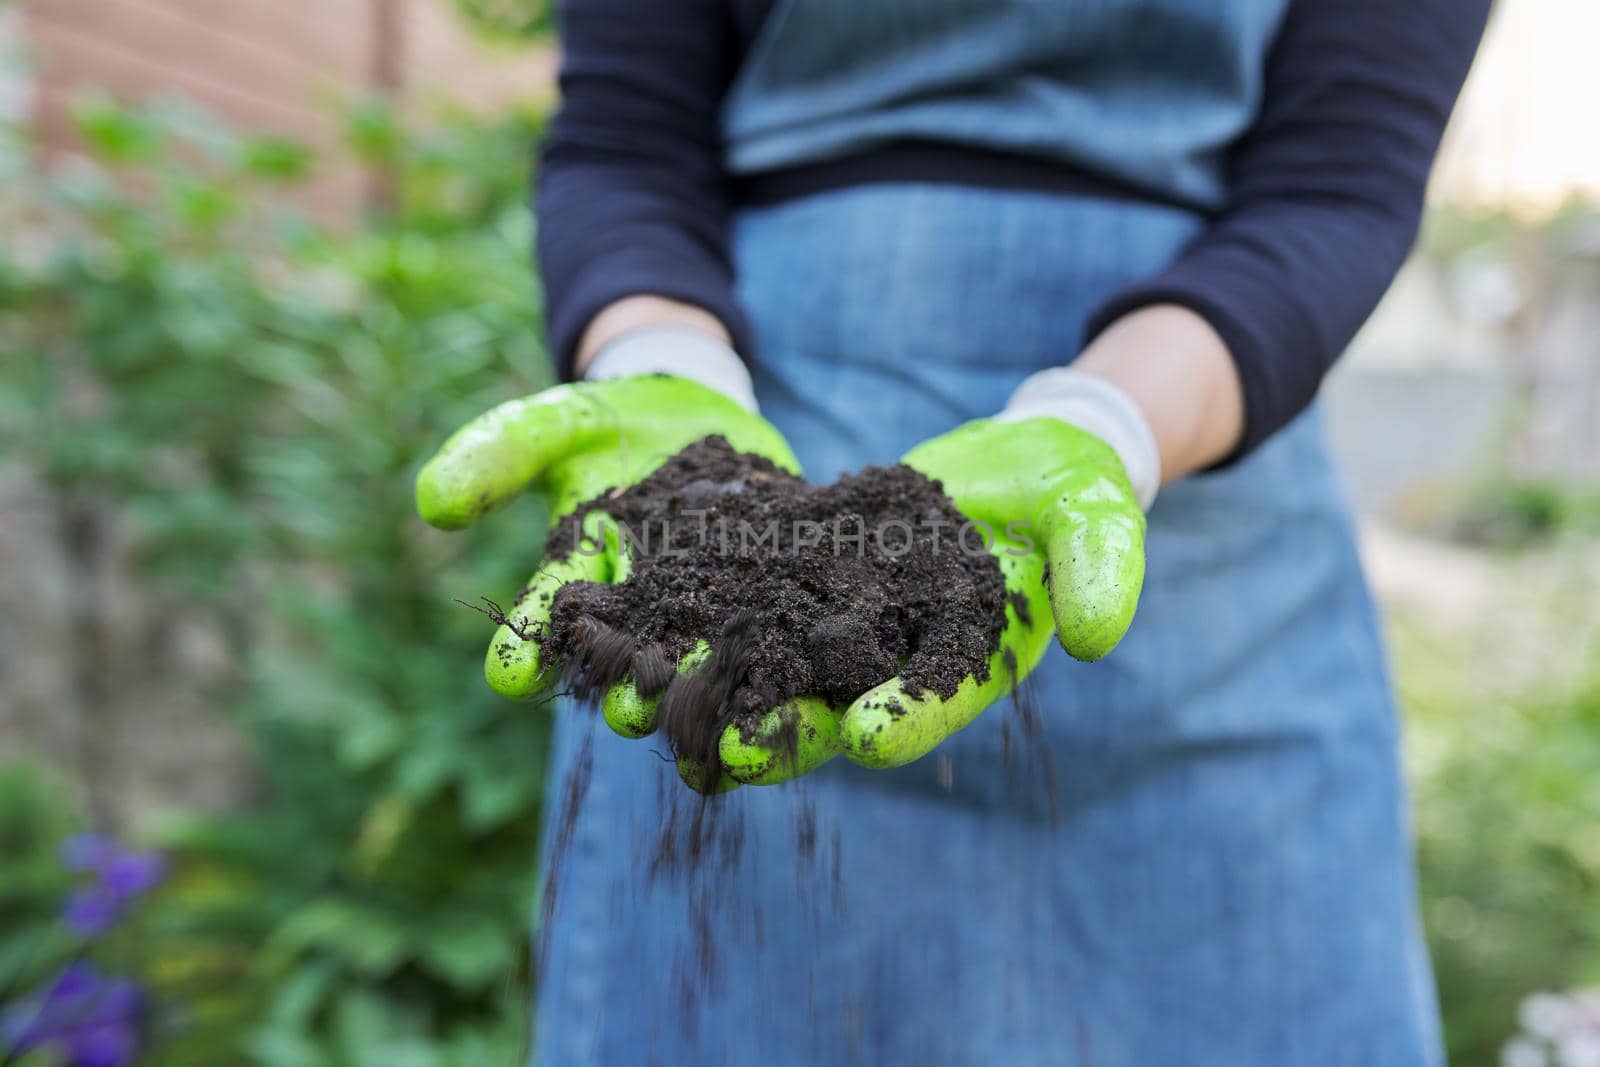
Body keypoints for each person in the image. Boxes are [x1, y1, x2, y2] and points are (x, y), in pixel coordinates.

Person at [416, 1, 1492, 1062]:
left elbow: (1336, 183)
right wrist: (664, 367)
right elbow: (627, 139)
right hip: (766, 414)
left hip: (1195, 474)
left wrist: (1108, 426)